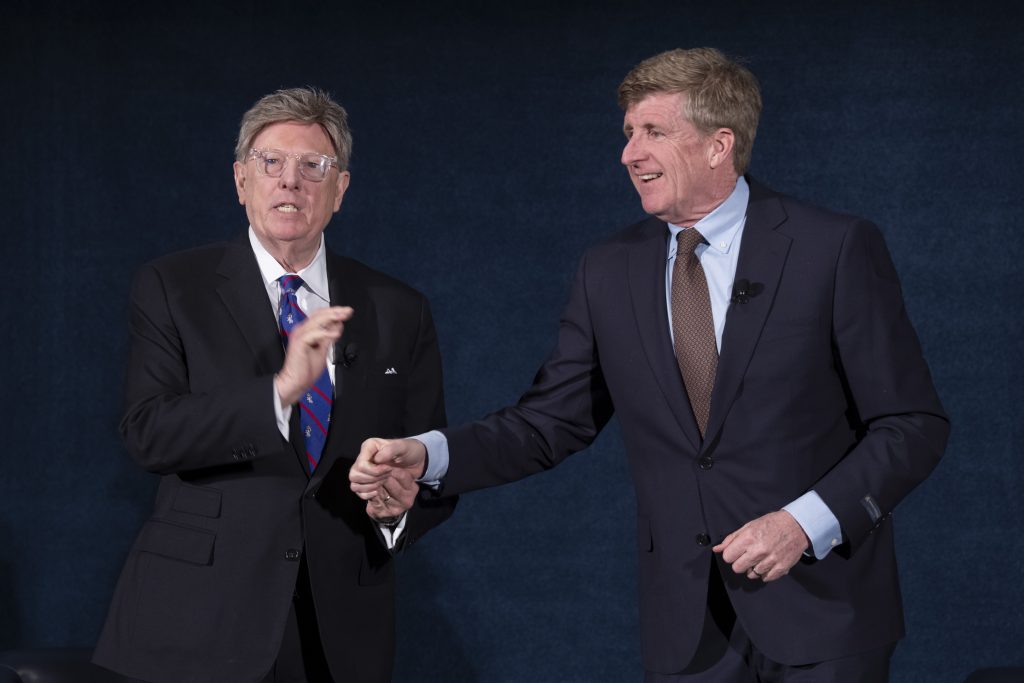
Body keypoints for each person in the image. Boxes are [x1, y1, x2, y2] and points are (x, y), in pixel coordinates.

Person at [350, 48, 949, 681]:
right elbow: (549, 422)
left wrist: (805, 523)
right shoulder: (608, 270)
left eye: (653, 132)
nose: (629, 154)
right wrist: (431, 456)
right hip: (687, 631)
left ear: (720, 145)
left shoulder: (832, 248)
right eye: (628, 133)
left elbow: (911, 423)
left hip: (825, 614)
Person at [93, 87, 455, 683]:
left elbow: (428, 459)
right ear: (241, 180)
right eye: (271, 162)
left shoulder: (398, 308)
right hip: (199, 620)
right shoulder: (172, 286)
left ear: (339, 190)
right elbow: (149, 434)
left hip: (340, 633)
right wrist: (279, 392)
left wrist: (399, 508)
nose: (291, 181)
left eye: (314, 166)